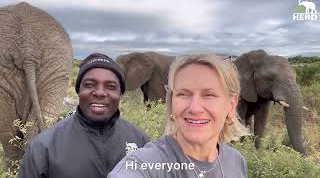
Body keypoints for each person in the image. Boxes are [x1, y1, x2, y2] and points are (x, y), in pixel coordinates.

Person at [108, 54, 250, 178]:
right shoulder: (144, 163)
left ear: (231, 105)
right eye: (183, 94)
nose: (194, 108)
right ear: (171, 102)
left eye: (209, 95)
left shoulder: (236, 161)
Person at [17, 53, 150, 178]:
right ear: (79, 91)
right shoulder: (43, 147)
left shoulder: (141, 141)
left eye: (110, 86)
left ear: (120, 94)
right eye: (89, 85)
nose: (100, 93)